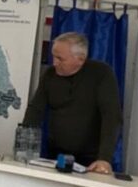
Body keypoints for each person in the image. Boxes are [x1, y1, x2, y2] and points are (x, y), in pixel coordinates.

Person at [22, 32, 122, 174]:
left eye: (60, 59)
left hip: (91, 160)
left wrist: (104, 158)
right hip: (56, 155)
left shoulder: (101, 73)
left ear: (80, 59)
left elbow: (111, 116)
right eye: (53, 56)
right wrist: (24, 144)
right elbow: (35, 110)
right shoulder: (50, 75)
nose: (54, 62)